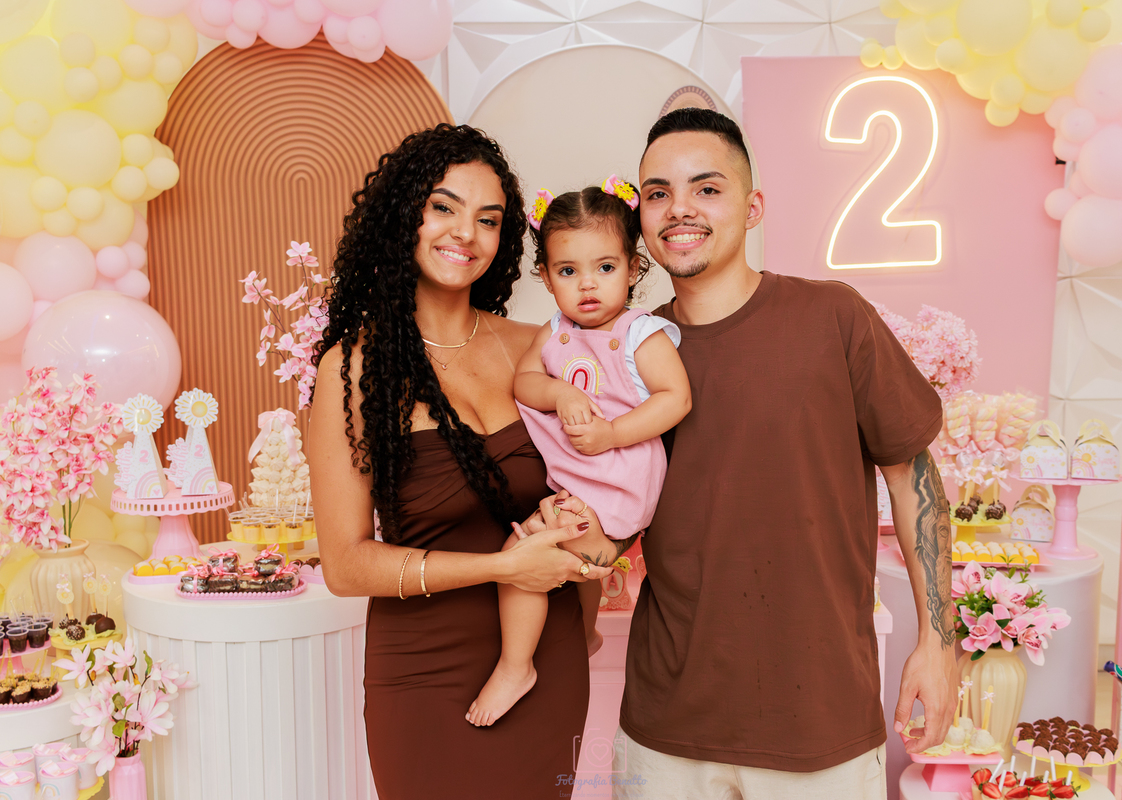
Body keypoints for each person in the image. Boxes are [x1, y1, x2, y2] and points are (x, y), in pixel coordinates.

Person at [613, 108, 957, 799]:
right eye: (657, 193)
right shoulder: (626, 351)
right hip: (666, 723)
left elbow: (913, 479)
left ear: (753, 207)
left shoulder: (834, 317)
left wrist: (939, 644)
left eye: (707, 188)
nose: (679, 209)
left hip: (820, 720)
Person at [307, 123, 615, 800]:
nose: (466, 234)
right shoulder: (354, 370)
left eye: (489, 219)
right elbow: (346, 565)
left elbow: (610, 472)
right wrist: (505, 567)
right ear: (403, 216)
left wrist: (595, 546)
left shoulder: (542, 347)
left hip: (548, 657)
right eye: (443, 207)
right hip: (423, 673)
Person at [467, 178, 692, 727]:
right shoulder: (555, 332)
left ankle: (516, 666)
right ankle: (586, 631)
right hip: (577, 481)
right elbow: (525, 383)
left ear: (634, 268)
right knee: (564, 560)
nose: (587, 284)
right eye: (568, 271)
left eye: (605, 267)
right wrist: (561, 393)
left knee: (520, 552)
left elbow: (676, 398)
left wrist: (613, 433)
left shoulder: (641, 333)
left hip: (616, 484)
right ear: (545, 278)